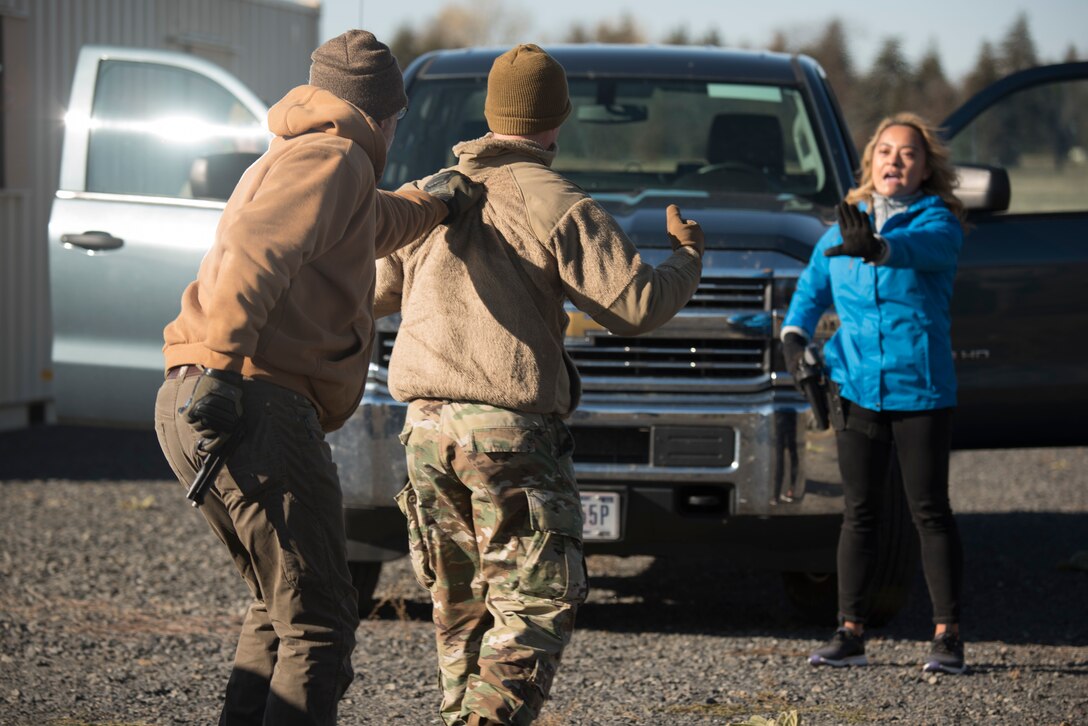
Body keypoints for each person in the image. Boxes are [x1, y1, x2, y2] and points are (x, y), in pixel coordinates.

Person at [153, 30, 482, 725]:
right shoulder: (335, 160)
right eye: (394, 119)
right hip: (249, 400)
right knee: (323, 622)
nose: (395, 130)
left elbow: (373, 222)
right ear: (383, 114)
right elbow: (255, 254)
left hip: (201, 397)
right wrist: (222, 366)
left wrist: (436, 207)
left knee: (280, 613)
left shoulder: (299, 155)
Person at [373, 44, 705, 726]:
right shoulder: (556, 201)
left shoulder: (430, 196)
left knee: (459, 606)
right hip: (506, 435)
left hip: (426, 433)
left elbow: (373, 293)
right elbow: (635, 306)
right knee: (535, 604)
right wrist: (688, 258)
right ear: (557, 117)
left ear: (491, 112)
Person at [781, 112, 969, 675]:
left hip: (922, 390)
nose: (895, 160)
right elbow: (810, 292)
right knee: (859, 514)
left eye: (908, 153)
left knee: (929, 512)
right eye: (885, 151)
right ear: (870, 163)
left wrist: (878, 248)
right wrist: (794, 339)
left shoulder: (941, 222)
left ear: (925, 167)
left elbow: (913, 250)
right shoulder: (842, 227)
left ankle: (947, 637)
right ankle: (850, 632)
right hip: (857, 388)